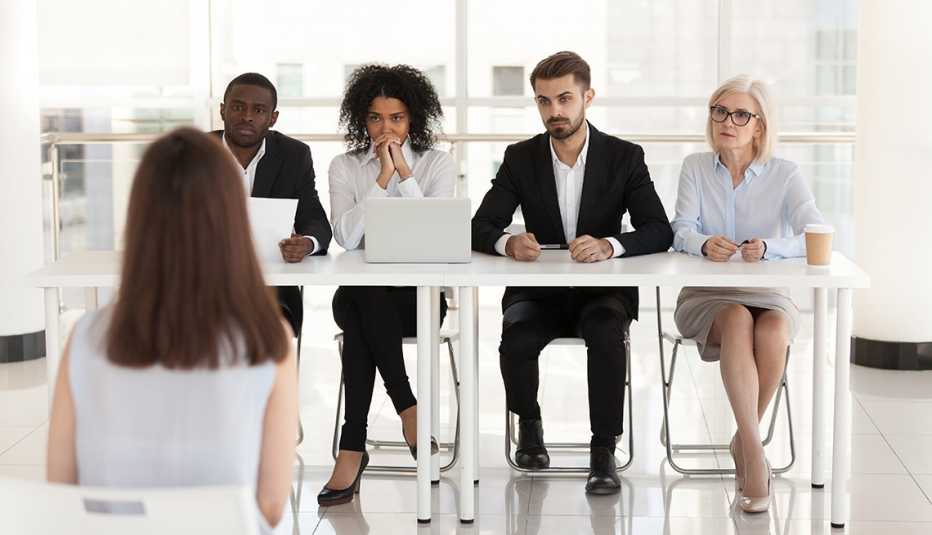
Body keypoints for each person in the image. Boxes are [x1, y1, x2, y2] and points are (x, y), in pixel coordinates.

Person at [46, 128, 298, 532]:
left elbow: (60, 490)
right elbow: (270, 505)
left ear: (140, 217)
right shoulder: (269, 340)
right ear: (232, 221)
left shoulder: (86, 338)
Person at [472, 51, 673, 495]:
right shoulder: (520, 158)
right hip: (538, 291)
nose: (554, 111)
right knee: (517, 339)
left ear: (588, 97)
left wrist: (611, 245)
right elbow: (480, 226)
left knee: (605, 333)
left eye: (564, 99)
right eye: (544, 101)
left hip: (601, 290)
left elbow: (659, 229)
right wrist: (509, 242)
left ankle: (603, 450)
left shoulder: (624, 156)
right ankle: (529, 426)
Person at [671, 75, 826, 513]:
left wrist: (769, 247)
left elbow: (813, 230)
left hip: (769, 292)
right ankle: (756, 456)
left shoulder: (784, 174)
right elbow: (679, 228)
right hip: (707, 295)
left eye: (741, 114)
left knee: (774, 326)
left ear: (759, 125)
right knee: (737, 316)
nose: (728, 122)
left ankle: (744, 439)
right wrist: (702, 242)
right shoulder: (696, 167)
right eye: (720, 112)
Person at [319, 64, 455, 506]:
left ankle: (351, 449)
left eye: (395, 118)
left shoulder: (437, 163)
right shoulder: (345, 166)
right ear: (363, 120)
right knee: (364, 293)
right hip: (362, 294)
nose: (386, 127)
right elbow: (346, 237)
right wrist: (380, 177)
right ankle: (408, 406)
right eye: (376, 118)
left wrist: (405, 175)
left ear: (412, 118)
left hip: (419, 299)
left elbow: (434, 233)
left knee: (361, 325)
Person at [212, 72, 332, 338]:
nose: (247, 116)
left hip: (271, 287)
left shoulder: (293, 155)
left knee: (262, 329)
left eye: (258, 110)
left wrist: (307, 243)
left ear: (272, 117)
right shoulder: (196, 152)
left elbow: (314, 218)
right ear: (223, 110)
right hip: (206, 282)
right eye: (238, 107)